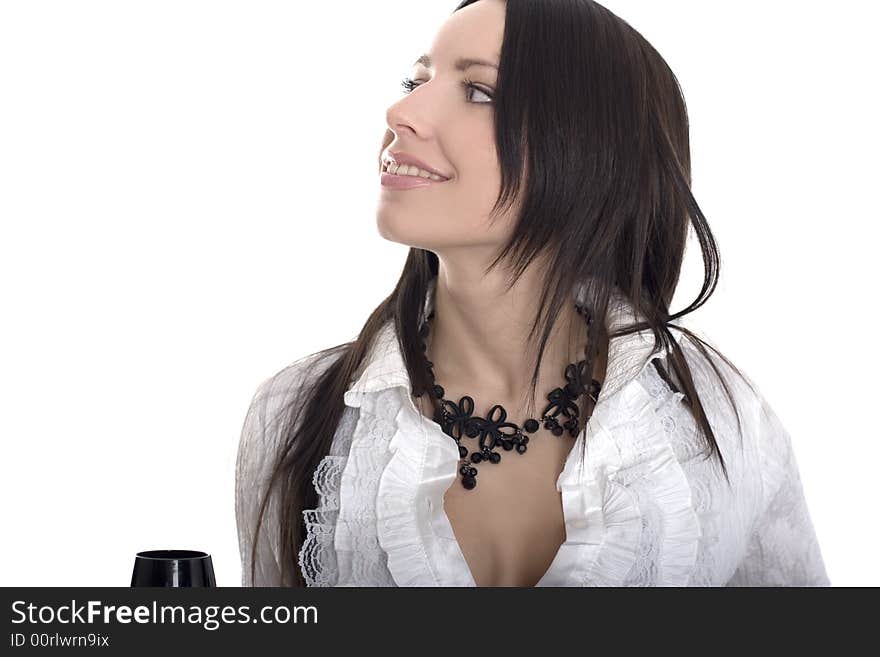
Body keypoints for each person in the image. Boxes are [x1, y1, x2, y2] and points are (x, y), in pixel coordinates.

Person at [235, 0, 830, 587]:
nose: (400, 110)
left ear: (589, 149)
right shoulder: (295, 414)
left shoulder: (719, 420)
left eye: (479, 92)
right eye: (415, 80)